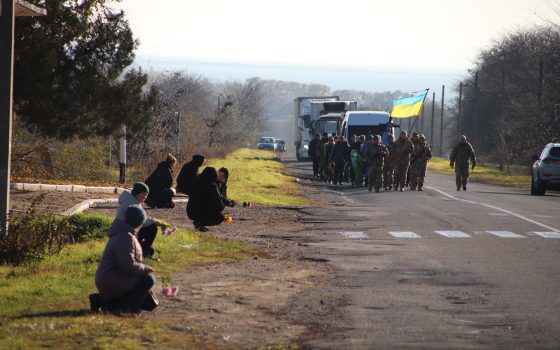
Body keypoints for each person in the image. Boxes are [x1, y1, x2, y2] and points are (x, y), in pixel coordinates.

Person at [92, 205, 156, 314]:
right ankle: (126, 308)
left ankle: (107, 303)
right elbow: (127, 265)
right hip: (111, 281)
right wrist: (146, 268)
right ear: (140, 222)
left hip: (109, 278)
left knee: (141, 279)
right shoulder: (125, 237)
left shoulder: (122, 233)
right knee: (148, 280)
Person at [116, 182, 167, 258]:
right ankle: (143, 251)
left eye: (146, 195)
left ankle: (143, 249)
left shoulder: (133, 201)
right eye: (143, 194)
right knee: (152, 227)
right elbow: (140, 221)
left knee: (151, 250)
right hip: (125, 235)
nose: (145, 197)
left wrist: (155, 221)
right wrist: (155, 221)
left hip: (129, 231)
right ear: (137, 193)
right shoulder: (130, 204)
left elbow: (140, 219)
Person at [186, 167, 226, 232]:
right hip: (202, 212)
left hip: (190, 211)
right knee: (220, 217)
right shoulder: (212, 186)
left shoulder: (195, 181)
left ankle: (198, 223)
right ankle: (200, 223)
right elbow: (219, 205)